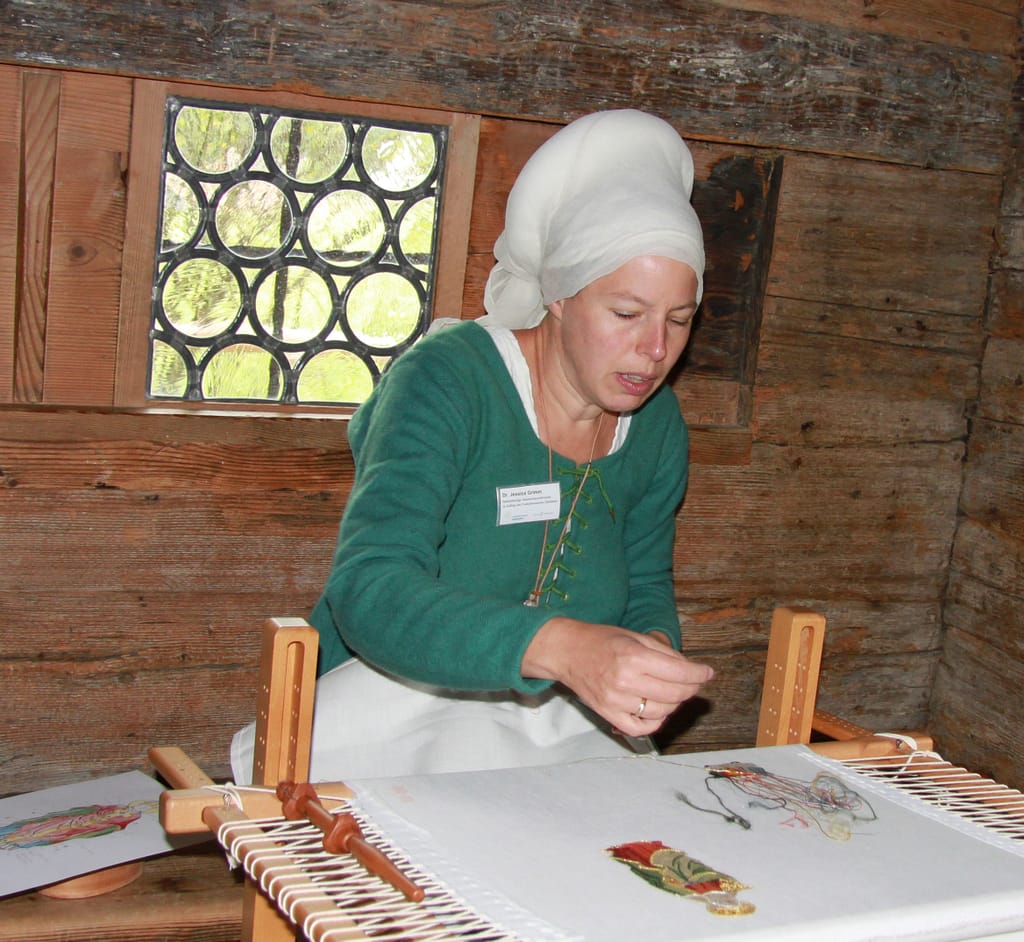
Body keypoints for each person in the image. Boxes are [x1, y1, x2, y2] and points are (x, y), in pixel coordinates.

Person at [231, 109, 713, 782]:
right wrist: (563, 647)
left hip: (560, 726)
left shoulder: (656, 427)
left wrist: (648, 654)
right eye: (626, 314)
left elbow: (645, 582)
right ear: (559, 297)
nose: (656, 349)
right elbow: (369, 588)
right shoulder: (448, 381)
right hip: (389, 715)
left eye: (679, 320)